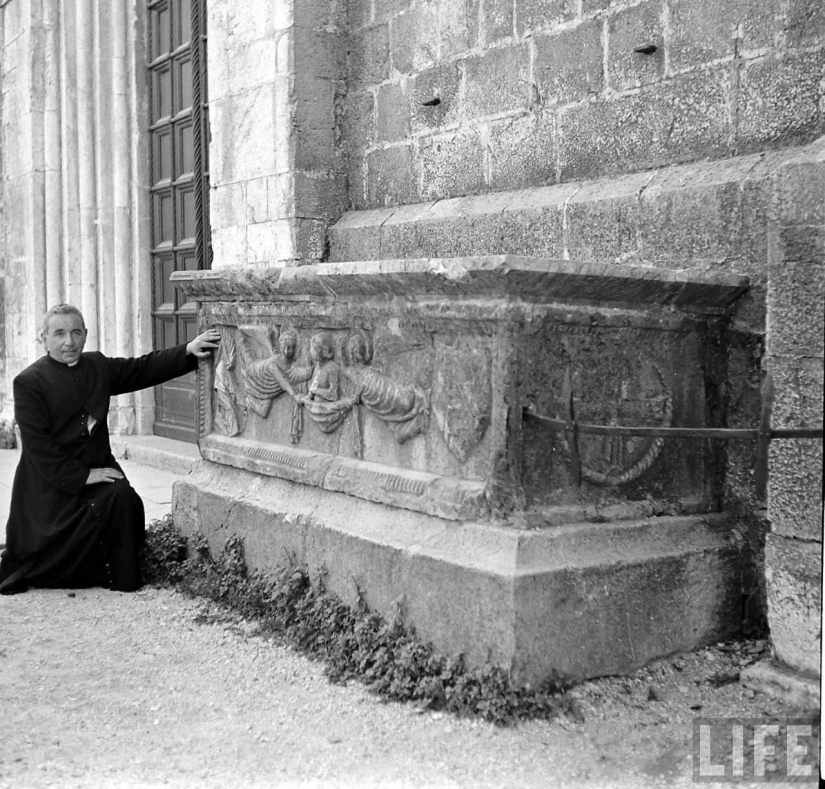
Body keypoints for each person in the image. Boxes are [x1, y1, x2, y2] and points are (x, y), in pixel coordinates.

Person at [0, 304, 220, 595]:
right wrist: (82, 477)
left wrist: (188, 351)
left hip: (98, 467)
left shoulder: (97, 366)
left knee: (123, 499)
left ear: (86, 334)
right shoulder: (29, 382)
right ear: (44, 338)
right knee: (55, 536)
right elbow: (39, 449)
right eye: (60, 334)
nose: (69, 341)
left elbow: (142, 368)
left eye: (76, 332)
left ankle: (117, 575)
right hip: (49, 484)